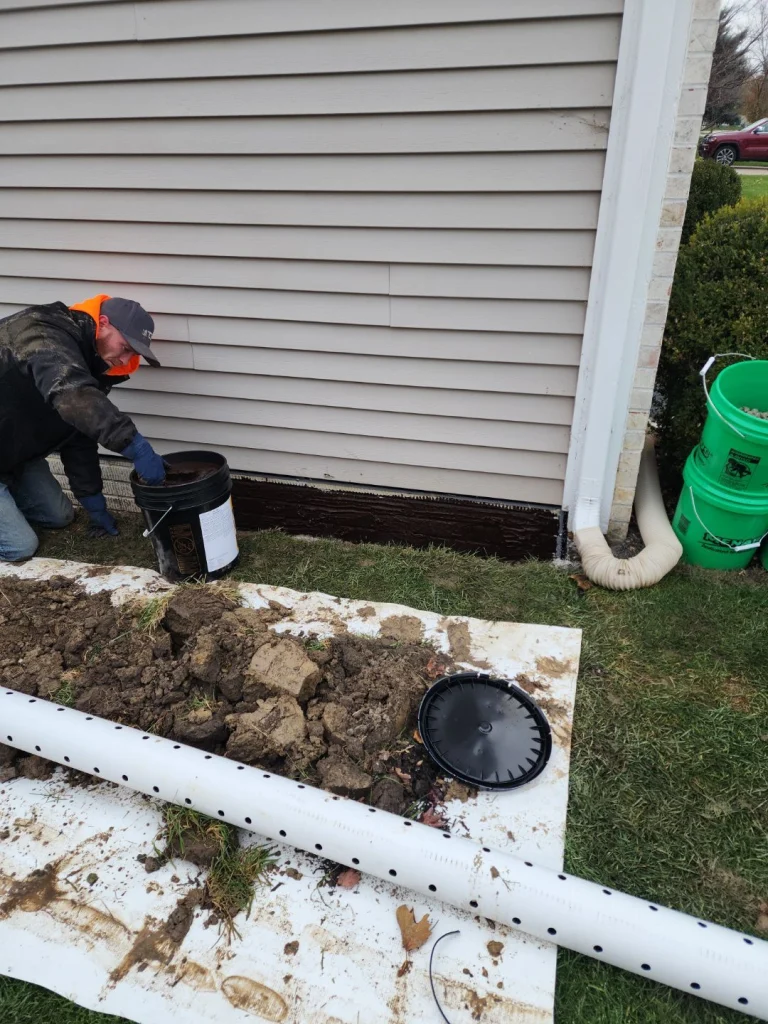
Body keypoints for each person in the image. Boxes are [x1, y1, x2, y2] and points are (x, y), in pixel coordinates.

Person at [0, 294, 167, 562]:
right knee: (20, 547)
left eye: (133, 354)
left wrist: (93, 501)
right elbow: (74, 397)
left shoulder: (89, 362)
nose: (125, 360)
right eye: (125, 347)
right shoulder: (43, 336)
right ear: (102, 323)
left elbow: (77, 434)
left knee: (59, 517)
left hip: (12, 454)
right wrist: (135, 446)